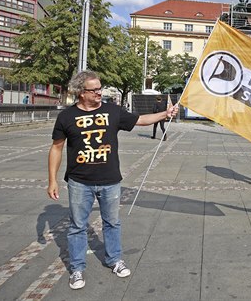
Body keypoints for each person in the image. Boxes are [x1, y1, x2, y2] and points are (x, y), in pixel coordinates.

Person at [47, 71, 178, 290]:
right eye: (94, 90)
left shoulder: (112, 110)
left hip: (110, 180)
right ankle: (77, 268)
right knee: (78, 226)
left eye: (100, 88)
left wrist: (166, 114)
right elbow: (56, 148)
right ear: (81, 92)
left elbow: (140, 120)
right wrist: (52, 180)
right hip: (79, 181)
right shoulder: (66, 117)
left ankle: (115, 259)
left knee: (112, 223)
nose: (99, 92)